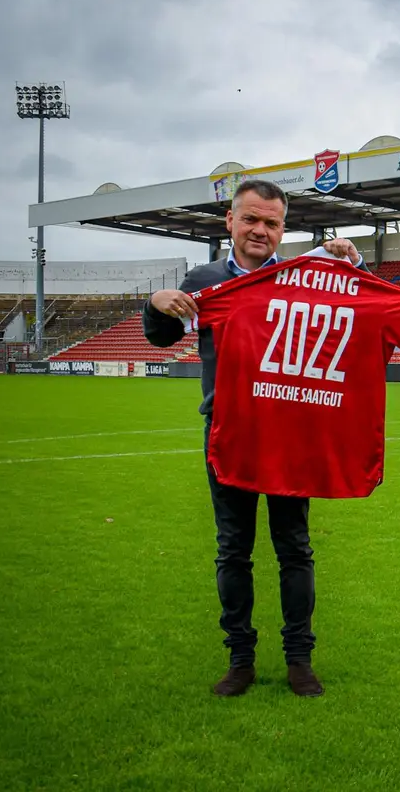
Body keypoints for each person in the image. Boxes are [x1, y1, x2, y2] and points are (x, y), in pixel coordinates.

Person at [143, 178, 364, 698]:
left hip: (291, 434)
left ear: (284, 228)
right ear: (230, 222)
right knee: (233, 550)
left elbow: (357, 306)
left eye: (271, 222)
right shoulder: (204, 279)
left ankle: (298, 660)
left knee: (295, 548)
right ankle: (240, 660)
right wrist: (157, 300)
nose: (260, 230)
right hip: (227, 433)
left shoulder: (304, 278)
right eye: (251, 219)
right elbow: (161, 334)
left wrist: (349, 262)